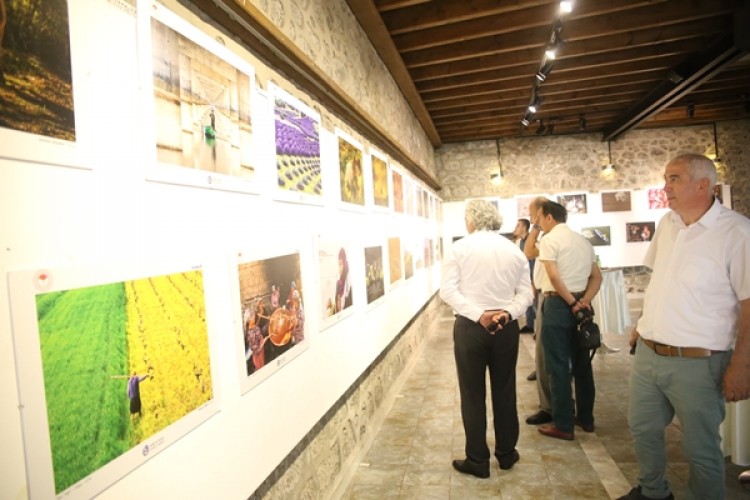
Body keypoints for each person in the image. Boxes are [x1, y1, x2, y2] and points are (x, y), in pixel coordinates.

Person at [618, 154, 750, 500]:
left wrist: (741, 364)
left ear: (703, 185)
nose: (665, 187)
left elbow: (749, 303)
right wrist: (641, 324)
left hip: (698, 362)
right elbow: (659, 279)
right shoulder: (668, 223)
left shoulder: (737, 232)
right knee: (643, 429)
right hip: (649, 354)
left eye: (674, 179)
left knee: (700, 447)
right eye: (666, 178)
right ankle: (653, 492)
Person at [440, 199, 533, 478]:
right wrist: (506, 313)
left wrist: (478, 314)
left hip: (471, 329)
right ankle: (506, 454)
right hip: (505, 329)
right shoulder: (513, 250)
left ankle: (478, 460)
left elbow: (448, 291)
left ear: (471, 221)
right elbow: (527, 294)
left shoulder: (459, 248)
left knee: (472, 393)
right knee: (505, 390)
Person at [536, 200, 602, 441]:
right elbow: (596, 277)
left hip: (558, 304)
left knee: (558, 366)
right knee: (582, 364)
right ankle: (586, 418)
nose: (538, 222)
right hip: (580, 303)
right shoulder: (582, 241)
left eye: (540, 218)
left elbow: (553, 277)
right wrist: (584, 300)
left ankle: (563, 424)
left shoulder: (549, 240)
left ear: (549, 218)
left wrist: (571, 303)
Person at [523, 197, 555, 426]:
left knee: (546, 356)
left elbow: (528, 252)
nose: (533, 219)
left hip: (552, 297)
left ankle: (550, 409)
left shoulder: (549, 239)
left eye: (534, 215)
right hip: (554, 296)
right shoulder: (567, 238)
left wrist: (533, 230)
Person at [513, 217, 536, 333]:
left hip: (533, 276)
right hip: (527, 276)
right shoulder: (521, 242)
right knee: (528, 302)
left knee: (535, 303)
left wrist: (532, 279)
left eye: (518, 226)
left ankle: (537, 328)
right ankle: (530, 325)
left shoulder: (530, 241)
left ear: (524, 227)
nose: (515, 228)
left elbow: (533, 261)